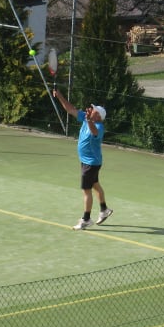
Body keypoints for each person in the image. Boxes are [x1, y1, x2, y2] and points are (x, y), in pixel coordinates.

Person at [53, 89, 113, 230]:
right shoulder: (86, 119)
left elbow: (94, 132)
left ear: (98, 116)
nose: (91, 110)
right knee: (95, 185)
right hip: (89, 162)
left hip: (91, 163)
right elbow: (71, 109)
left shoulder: (98, 126)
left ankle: (86, 219)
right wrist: (59, 96)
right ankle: (104, 210)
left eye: (94, 110)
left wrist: (88, 120)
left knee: (86, 190)